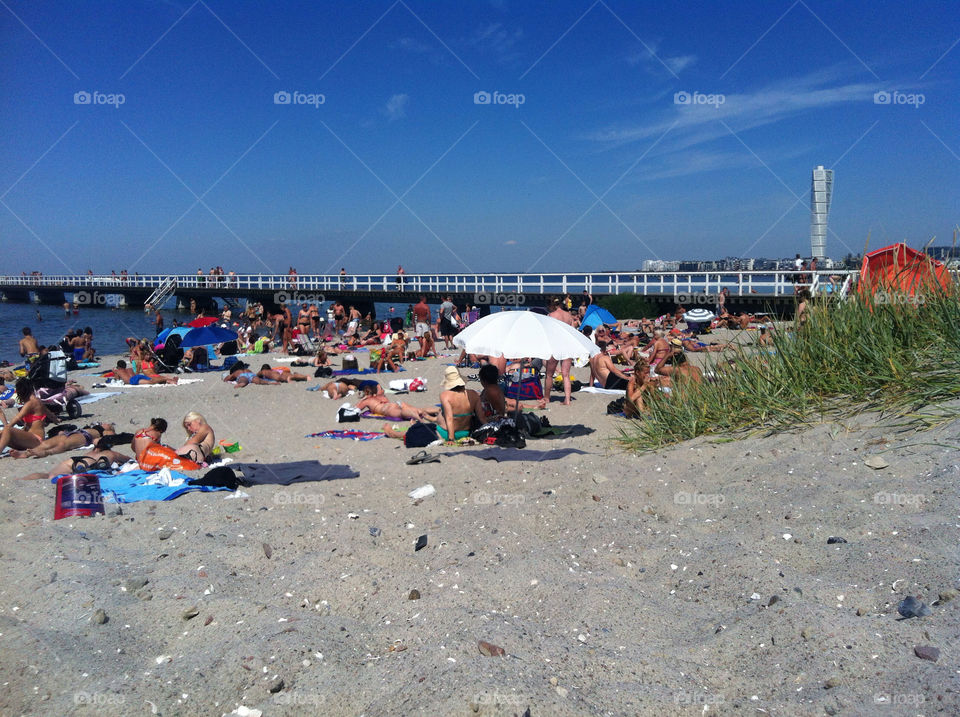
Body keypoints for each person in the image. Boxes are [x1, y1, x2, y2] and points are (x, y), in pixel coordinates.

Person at [0, 378, 59, 454]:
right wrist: (56, 421)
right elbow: (50, 415)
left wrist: (4, 430)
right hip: (29, 440)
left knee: (7, 429)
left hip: (36, 439)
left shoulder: (30, 404)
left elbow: (15, 420)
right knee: (5, 432)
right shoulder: (37, 401)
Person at [11, 422, 115, 459]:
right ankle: (26, 454)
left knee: (64, 444)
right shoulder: (97, 427)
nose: (105, 423)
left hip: (85, 436)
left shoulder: (105, 431)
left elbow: (109, 438)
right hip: (75, 432)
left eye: (108, 424)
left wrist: (107, 433)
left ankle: (46, 452)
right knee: (47, 443)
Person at [431, 366, 479, 442]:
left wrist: (451, 438)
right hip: (465, 433)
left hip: (445, 433)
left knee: (416, 430)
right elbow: (481, 416)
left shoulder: (445, 395)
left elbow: (449, 418)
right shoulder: (473, 394)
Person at [545, 298, 577, 405]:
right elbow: (573, 331)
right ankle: (567, 399)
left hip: (556, 345)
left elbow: (548, 332)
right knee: (566, 374)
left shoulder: (551, 316)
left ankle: (547, 398)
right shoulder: (569, 316)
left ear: (552, 305)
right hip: (567, 345)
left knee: (549, 374)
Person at [355, 383, 429, 420]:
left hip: (386, 409)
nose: (383, 390)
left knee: (402, 413)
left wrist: (362, 399)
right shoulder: (380, 397)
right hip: (393, 405)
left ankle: (416, 416)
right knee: (416, 409)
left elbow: (356, 409)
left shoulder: (368, 400)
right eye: (381, 389)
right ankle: (432, 412)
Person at [113, 359, 178, 385]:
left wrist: (114, 372)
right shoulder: (130, 369)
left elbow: (117, 380)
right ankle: (170, 380)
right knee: (153, 380)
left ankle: (165, 378)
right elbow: (136, 373)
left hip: (132, 381)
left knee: (151, 382)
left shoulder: (118, 371)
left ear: (118, 366)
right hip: (137, 376)